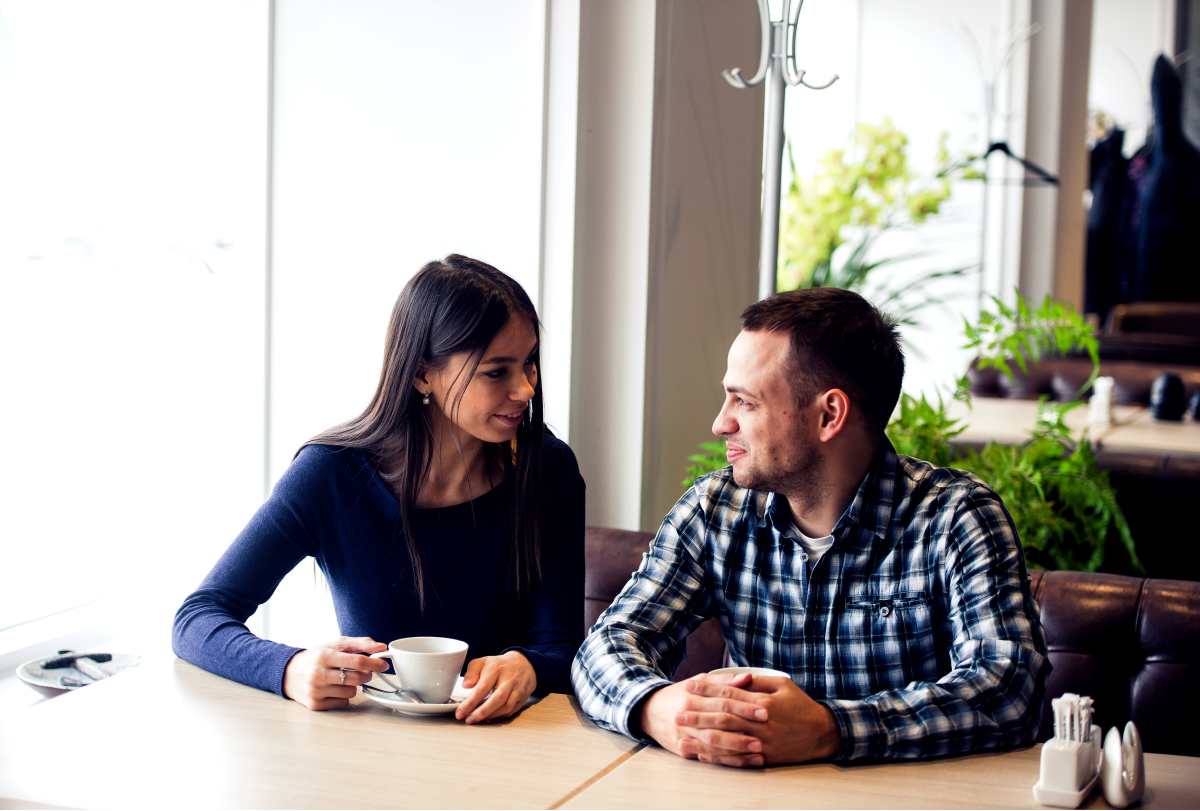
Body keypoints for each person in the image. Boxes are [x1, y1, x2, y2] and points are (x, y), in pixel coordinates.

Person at [571, 287, 1049, 766]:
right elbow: (609, 644)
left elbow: (1009, 689)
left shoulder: (956, 518)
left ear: (830, 414)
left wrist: (831, 730)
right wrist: (657, 707)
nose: (720, 423)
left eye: (746, 402)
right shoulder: (715, 510)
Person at [174, 255, 584, 724]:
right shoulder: (330, 474)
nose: (526, 389)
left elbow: (561, 645)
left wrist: (528, 666)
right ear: (422, 373)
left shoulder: (548, 470)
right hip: (366, 746)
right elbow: (198, 617)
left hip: (508, 743)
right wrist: (289, 668)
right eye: (497, 371)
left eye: (529, 362)